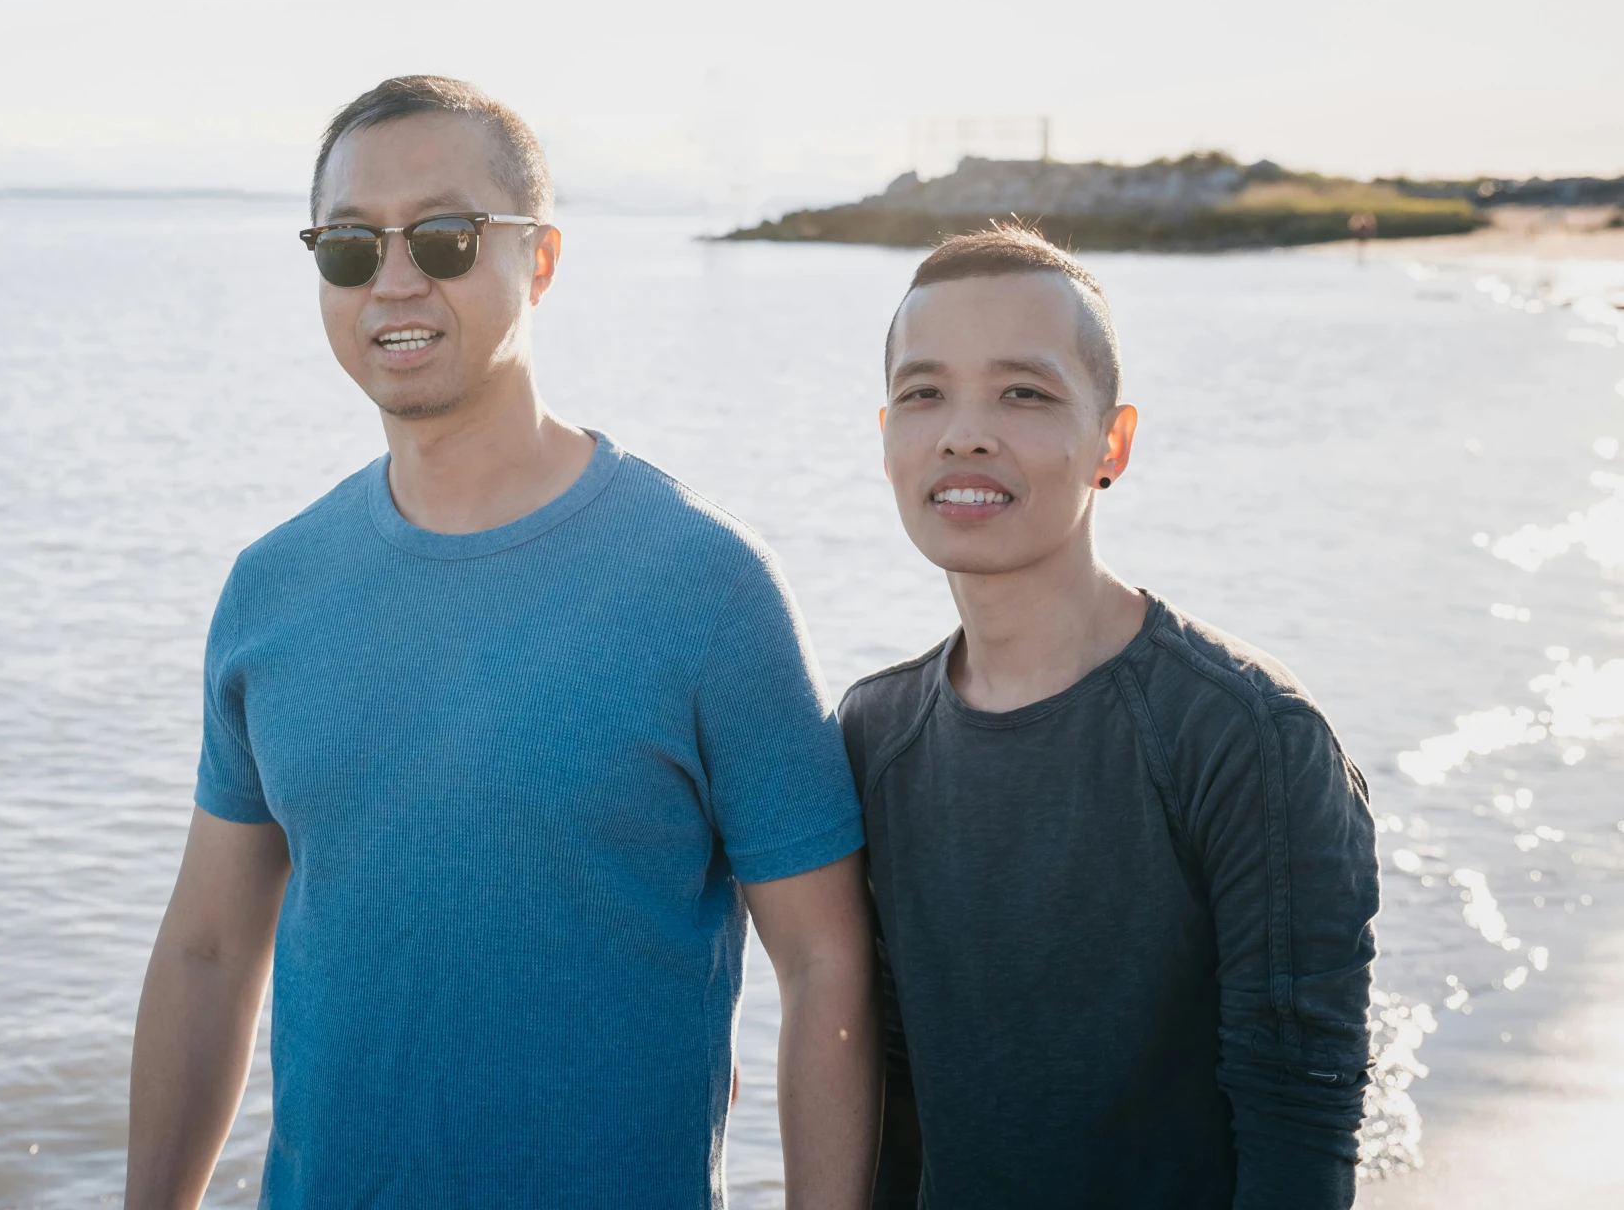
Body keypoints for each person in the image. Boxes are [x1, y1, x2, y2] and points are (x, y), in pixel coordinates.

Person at [126, 75, 880, 1209]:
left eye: (444, 234)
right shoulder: (271, 586)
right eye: (348, 245)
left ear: (542, 257)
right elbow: (208, 952)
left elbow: (826, 965)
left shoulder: (706, 582)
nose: (393, 279)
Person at [843, 224, 1379, 1209]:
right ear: (885, 436)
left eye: (1024, 391)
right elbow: (891, 1083)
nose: (964, 430)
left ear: (1112, 444)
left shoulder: (1248, 735)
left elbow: (1298, 1113)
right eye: (925, 392)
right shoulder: (874, 733)